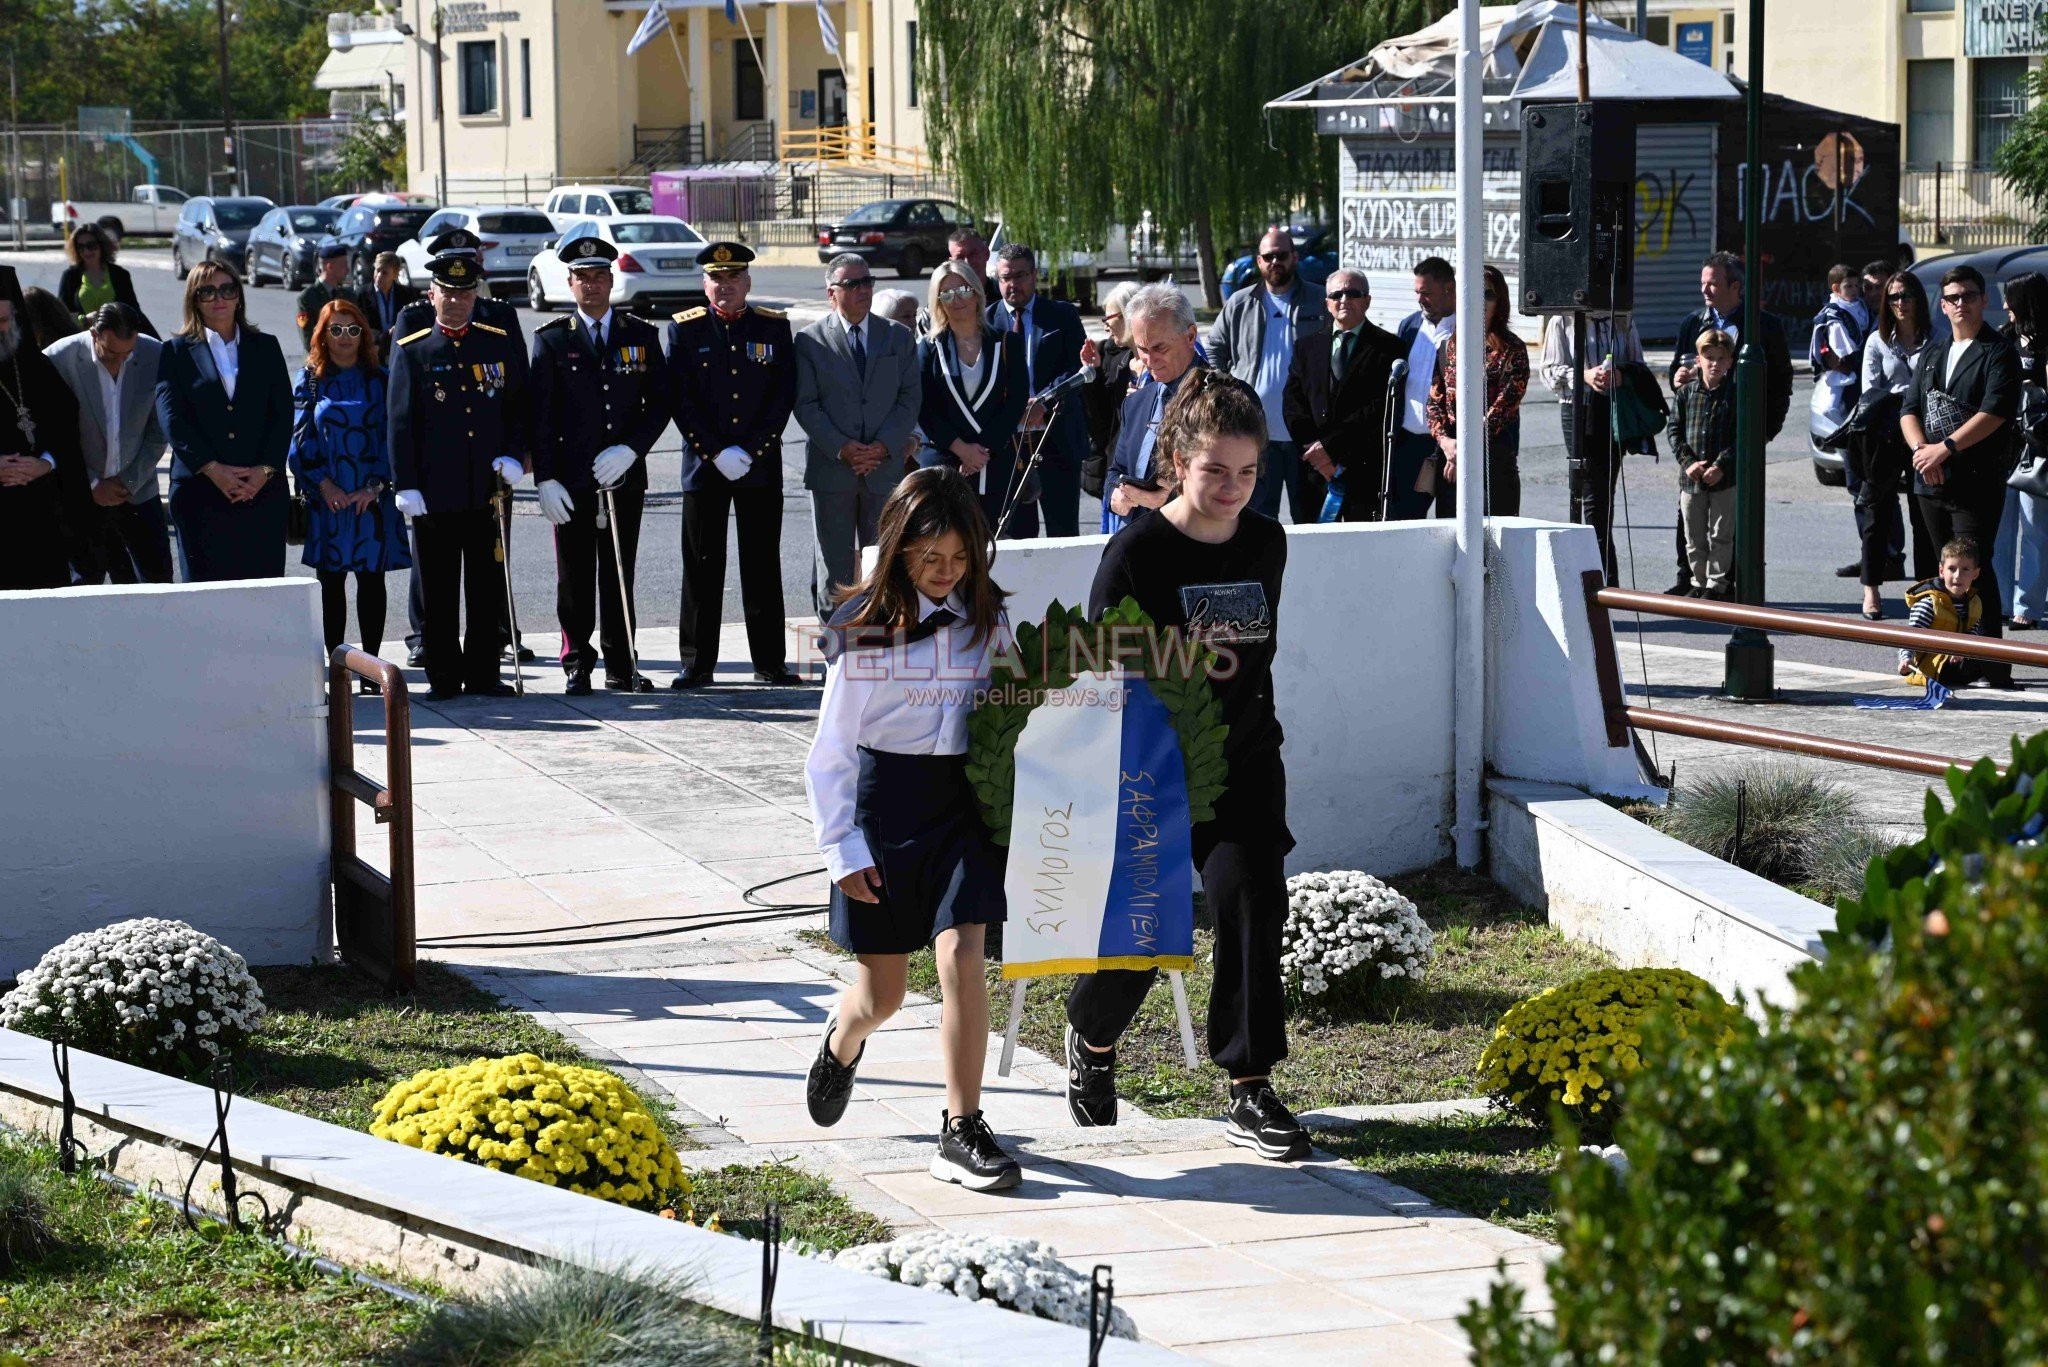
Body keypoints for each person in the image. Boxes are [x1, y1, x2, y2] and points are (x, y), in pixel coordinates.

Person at [1064, 371, 1307, 1162]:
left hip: (1243, 766)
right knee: (1143, 939)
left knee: (1249, 900)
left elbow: (1254, 661)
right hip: (1151, 774)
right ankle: (1091, 1037)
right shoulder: (1136, 553)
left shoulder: (1267, 542)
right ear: (1176, 458)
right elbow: (1097, 673)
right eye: (1215, 471)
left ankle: (1250, 1083)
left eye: (1247, 472)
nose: (1233, 488)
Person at [802, 465, 1020, 1191]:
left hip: (962, 806)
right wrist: (841, 849)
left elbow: (1011, 709)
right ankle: (842, 1040)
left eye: (960, 559)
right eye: (930, 560)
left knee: (963, 954)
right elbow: (830, 753)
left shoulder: (988, 619)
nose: (945, 572)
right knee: (884, 996)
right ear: (897, 549)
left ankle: (961, 1127)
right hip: (881, 809)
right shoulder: (862, 631)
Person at [529, 233, 672, 694]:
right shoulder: (551, 341)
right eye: (581, 278)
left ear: (612, 280)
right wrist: (546, 478)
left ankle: (621, 660)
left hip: (623, 475)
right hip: (570, 479)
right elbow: (541, 415)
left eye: (598, 276)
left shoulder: (641, 335)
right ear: (569, 284)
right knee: (573, 574)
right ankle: (576, 661)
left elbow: (660, 403)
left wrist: (633, 449)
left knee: (618, 570)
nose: (591, 286)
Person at [387, 250, 529, 702]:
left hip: (488, 490)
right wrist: (404, 482)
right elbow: (400, 422)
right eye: (447, 291)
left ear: (475, 295)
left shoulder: (496, 343)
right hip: (434, 490)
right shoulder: (415, 351)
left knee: (487, 586)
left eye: (464, 292)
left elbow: (517, 409)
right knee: (438, 588)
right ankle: (444, 676)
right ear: (432, 295)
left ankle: (485, 672)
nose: (455, 300)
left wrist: (513, 456)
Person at [665, 240, 801, 688]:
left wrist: (752, 450)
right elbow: (679, 399)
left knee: (762, 565)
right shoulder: (684, 330)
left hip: (758, 467)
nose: (724, 286)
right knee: (702, 566)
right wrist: (715, 451)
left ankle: (770, 661)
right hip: (705, 468)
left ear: (748, 281)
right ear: (704, 283)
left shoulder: (773, 328)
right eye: (716, 279)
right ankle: (696, 662)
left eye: (733, 278)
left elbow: (782, 397)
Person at [1901, 262, 2018, 689]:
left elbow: (1996, 411)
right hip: (1929, 479)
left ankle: (1992, 665)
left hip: (1975, 480)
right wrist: (1922, 453)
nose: (1960, 304)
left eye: (1968, 296)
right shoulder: (1933, 351)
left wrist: (1944, 450)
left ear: (1983, 301)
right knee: (1945, 573)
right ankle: (1943, 661)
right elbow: (1909, 409)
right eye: (1952, 298)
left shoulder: (1996, 350)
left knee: (1975, 570)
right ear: (1943, 305)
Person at [796, 253, 922, 615]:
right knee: (834, 564)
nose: (863, 289)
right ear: (831, 293)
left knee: (883, 561)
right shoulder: (810, 340)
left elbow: (909, 398)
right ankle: (834, 648)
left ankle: (879, 639)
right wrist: (843, 448)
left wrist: (883, 446)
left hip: (883, 470)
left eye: (868, 281)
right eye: (853, 284)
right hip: (833, 470)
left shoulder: (897, 337)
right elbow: (806, 405)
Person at [290, 298, 409, 676]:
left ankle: (372, 670)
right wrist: (324, 485)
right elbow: (297, 439)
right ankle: (338, 669)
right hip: (330, 500)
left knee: (372, 583)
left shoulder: (381, 377)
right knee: (331, 584)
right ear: (322, 334)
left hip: (371, 500)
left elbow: (395, 436)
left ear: (365, 335)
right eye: (336, 329)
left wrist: (373, 487)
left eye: (353, 329)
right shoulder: (309, 378)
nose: (344, 337)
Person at [156, 262, 292, 582]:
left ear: (238, 297)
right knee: (206, 600)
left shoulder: (266, 347)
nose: (219, 298)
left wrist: (265, 470)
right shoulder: (174, 352)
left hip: (261, 492)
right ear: (194, 299)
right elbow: (172, 418)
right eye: (208, 291)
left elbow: (283, 414)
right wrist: (213, 470)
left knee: (263, 595)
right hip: (200, 495)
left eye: (228, 289)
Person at [1668, 252, 1794, 594]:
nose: (1706, 290)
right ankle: (1690, 579)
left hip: (1740, 437)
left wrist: (1765, 431)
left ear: (1735, 286)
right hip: (1698, 439)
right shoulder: (1692, 323)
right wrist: (1677, 378)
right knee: (1691, 515)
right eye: (1702, 283)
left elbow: (1781, 382)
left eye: (1714, 283)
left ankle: (1732, 581)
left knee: (1734, 513)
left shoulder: (1763, 325)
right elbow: (1678, 376)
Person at [44, 303, 174, 584]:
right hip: (80, 494)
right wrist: (91, 483)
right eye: (110, 353)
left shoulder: (155, 354)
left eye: (127, 355)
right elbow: (52, 434)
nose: (118, 362)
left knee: (158, 580)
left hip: (138, 490)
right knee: (84, 582)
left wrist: (130, 480)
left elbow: (159, 427)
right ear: (94, 334)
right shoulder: (57, 359)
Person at [1205, 228, 1319, 523]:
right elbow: (1215, 345)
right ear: (1259, 261)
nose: (1275, 262)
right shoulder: (1241, 302)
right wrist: (1224, 385)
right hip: (1255, 436)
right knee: (1254, 520)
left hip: (1304, 436)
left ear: (1294, 257)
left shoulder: (1319, 301)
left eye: (1281, 255)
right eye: (1268, 256)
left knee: (1309, 520)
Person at [918, 259, 1032, 537]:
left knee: (989, 545)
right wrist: (961, 449)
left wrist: (983, 450)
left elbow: (1016, 401)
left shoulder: (1007, 343)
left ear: (978, 292)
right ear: (938, 301)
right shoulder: (928, 347)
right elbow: (923, 407)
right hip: (945, 462)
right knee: (943, 541)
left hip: (993, 462)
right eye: (947, 294)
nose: (957, 300)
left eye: (964, 290)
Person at [1282, 268, 1401, 522]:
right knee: (1315, 551)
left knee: (1362, 553)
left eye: (1352, 293)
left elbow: (1381, 407)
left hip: (1362, 470)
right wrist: (1318, 456)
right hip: (1314, 474)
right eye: (1337, 294)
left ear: (1367, 301)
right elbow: (1293, 404)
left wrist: (1331, 450)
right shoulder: (1306, 346)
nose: (1344, 300)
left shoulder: (1390, 348)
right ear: (1327, 303)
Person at [989, 245, 1090, 538]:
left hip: (1056, 437)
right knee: (1018, 536)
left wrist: (1043, 401)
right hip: (1009, 446)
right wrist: (1013, 406)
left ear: (1034, 275)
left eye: (1020, 276)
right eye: (1005, 277)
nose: (1012, 284)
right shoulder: (987, 322)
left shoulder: (1062, 316)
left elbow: (1077, 370)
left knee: (1064, 532)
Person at [1854, 269, 1936, 619]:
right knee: (1878, 512)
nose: (1900, 303)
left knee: (1925, 513)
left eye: (1906, 296)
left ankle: (1926, 590)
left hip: (1924, 434)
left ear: (1918, 300)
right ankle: (1870, 589)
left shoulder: (1937, 338)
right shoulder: (1877, 341)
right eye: (1894, 297)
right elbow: (1870, 392)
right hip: (1885, 433)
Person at [0, 295, 90, 589]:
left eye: (3, 321)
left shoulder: (35, 366)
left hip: (40, 513)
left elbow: (67, 425)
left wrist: (46, 463)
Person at [1425, 264, 1528, 518]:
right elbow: (1434, 403)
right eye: (1473, 292)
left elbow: (1504, 407)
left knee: (1496, 550)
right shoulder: (1448, 346)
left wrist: (1463, 450)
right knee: (1450, 544)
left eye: (1488, 294)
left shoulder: (1513, 349)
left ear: (1500, 301)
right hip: (1452, 462)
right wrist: (1446, 443)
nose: (1480, 301)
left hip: (1493, 463)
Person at [1102, 283, 1202, 533]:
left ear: (1190, 336)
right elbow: (1116, 471)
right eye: (1142, 349)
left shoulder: (1223, 398)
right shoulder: (1136, 403)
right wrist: (1117, 495)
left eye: (1159, 348)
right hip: (1138, 543)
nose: (1149, 360)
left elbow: (1241, 484)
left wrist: (1167, 501)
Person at [1995, 271, 2048, 631]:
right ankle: (1996, 600)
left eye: (2009, 298)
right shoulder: (2003, 337)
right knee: (1999, 527)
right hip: (2001, 444)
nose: (2003, 306)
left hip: (2037, 448)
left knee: (2035, 529)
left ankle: (2026, 607)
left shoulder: (2044, 343)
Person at [1673, 330, 1739, 599]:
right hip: (1692, 479)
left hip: (1723, 479)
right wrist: (1688, 462)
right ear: (1698, 360)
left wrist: (1722, 465)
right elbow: (1674, 430)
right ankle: (1698, 581)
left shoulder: (1735, 395)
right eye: (1708, 357)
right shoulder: (1687, 393)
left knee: (1721, 534)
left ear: (1729, 362)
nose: (1714, 363)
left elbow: (1741, 435)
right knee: (1694, 535)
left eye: (1720, 358)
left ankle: (1717, 584)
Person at [1390, 257, 1456, 521]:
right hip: (1411, 445)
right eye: (1417, 293)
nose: (1420, 299)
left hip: (1451, 446)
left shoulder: (1468, 329)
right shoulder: (1410, 326)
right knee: (1403, 521)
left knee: (1451, 526)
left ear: (1449, 288)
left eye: (1426, 293)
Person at [1899, 537, 1994, 687]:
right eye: (1952, 569)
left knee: (1987, 654)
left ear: (1975, 574)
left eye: (1965, 570)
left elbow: (1971, 635)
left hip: (1955, 660)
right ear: (1941, 570)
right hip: (1929, 667)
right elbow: (1911, 636)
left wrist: (1962, 651)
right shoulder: (1930, 603)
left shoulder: (1975, 603)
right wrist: (1906, 659)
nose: (1957, 576)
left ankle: (1978, 674)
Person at [1079, 280, 1141, 506]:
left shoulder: (1159, 363)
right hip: (1119, 473)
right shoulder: (1112, 356)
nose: (1105, 326)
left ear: (1129, 315)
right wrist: (1093, 373)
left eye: (1109, 318)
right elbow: (1102, 425)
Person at [57, 223, 153, 335]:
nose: (86, 252)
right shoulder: (70, 277)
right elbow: (60, 315)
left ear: (102, 245)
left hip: (116, 340)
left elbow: (133, 311)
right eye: (81, 247)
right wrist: (84, 319)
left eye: (91, 246)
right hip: (82, 339)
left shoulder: (120, 275)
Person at [357, 251, 419, 356]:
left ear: (395, 275)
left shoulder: (407, 294)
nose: (379, 275)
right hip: (373, 350)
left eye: (384, 272)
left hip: (400, 349)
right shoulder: (361, 295)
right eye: (377, 270)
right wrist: (384, 337)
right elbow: (360, 325)